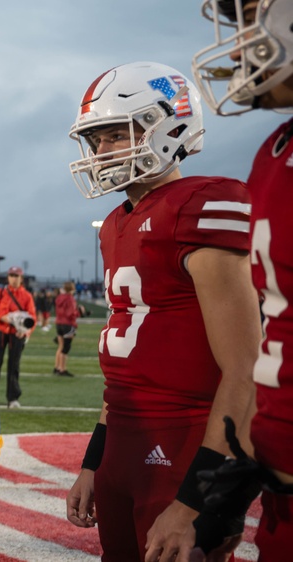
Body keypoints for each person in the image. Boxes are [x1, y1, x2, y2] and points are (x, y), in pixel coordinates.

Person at [62, 61, 261, 562]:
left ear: (167, 127)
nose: (101, 152)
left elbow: (246, 370)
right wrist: (95, 460)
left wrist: (199, 497)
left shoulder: (202, 205)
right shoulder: (112, 224)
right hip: (122, 449)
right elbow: (125, 365)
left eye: (113, 135)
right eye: (95, 140)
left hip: (186, 444)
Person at [189, 2, 293, 559]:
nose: (238, 45)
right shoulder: (274, 153)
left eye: (255, 16)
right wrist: (241, 483)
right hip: (277, 499)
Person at [0, 266, 36, 409]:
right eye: (12, 275)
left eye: (16, 276)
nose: (14, 278)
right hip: (0, 330)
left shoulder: (27, 296)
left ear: (21, 278)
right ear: (8, 277)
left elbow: (32, 317)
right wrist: (2, 318)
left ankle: (13, 398)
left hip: (17, 333)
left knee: (14, 365)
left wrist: (26, 331)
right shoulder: (1, 292)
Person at [52, 281, 85, 378]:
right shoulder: (70, 299)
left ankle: (57, 367)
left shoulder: (59, 298)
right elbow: (70, 313)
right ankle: (63, 369)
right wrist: (79, 313)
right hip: (68, 324)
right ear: (72, 288)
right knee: (66, 348)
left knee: (60, 346)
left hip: (59, 323)